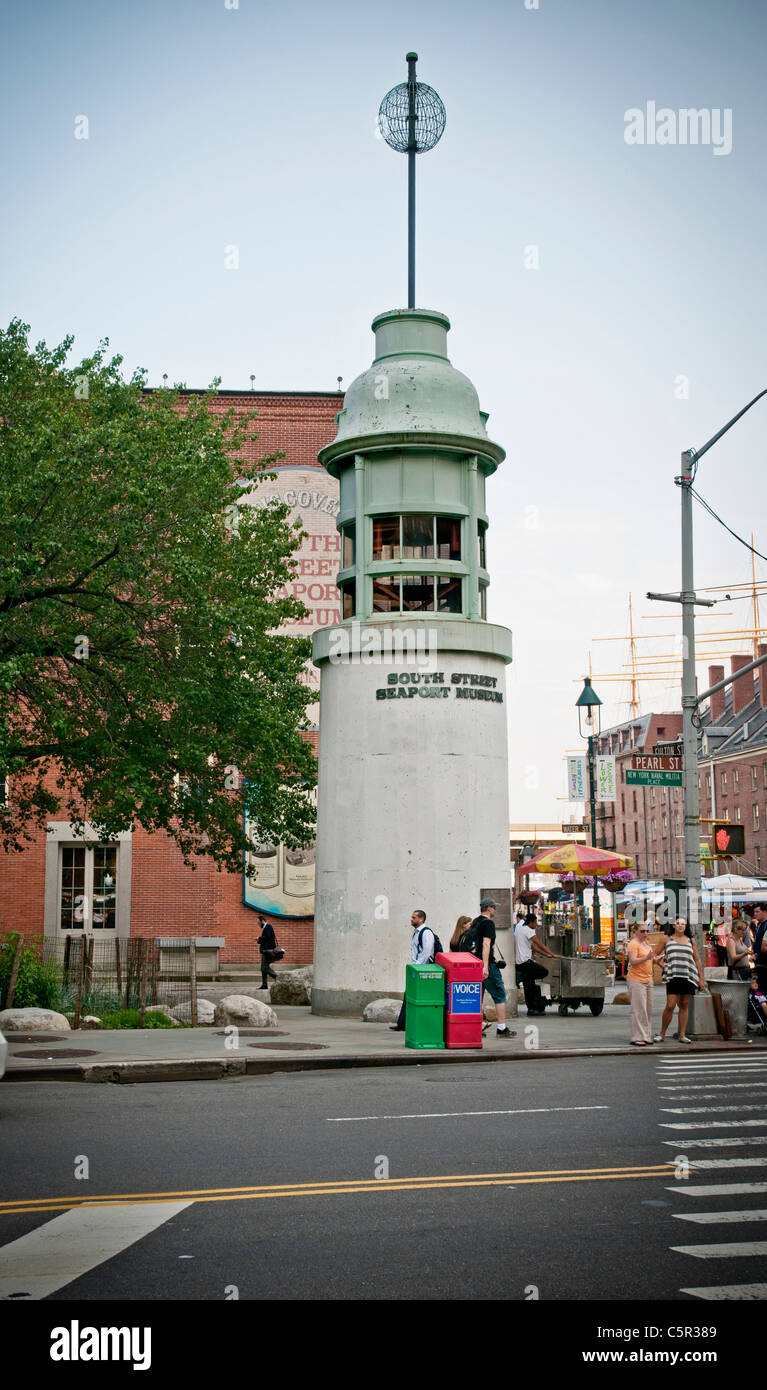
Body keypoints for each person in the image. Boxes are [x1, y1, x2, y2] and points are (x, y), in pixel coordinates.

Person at [653, 917, 705, 1044]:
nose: (681, 926)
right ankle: (662, 1033)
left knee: (684, 1005)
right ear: (673, 925)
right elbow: (654, 955)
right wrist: (664, 967)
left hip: (688, 975)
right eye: (678, 924)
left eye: (683, 924)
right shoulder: (667, 938)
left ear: (686, 926)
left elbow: (697, 960)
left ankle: (682, 1034)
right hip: (673, 975)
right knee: (670, 1005)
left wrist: (701, 978)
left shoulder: (690, 940)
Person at [472, 897, 516, 1040]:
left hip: (473, 964)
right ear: (489, 908)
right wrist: (485, 966)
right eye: (494, 907)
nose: (495, 910)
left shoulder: (475, 922)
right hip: (487, 966)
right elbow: (486, 944)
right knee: (499, 995)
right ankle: (501, 1028)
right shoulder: (488, 923)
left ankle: (476, 1027)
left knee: (478, 997)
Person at [390, 909, 435, 1032]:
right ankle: (403, 1023)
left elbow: (426, 952)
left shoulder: (426, 933)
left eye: (414, 917)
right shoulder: (416, 933)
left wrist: (418, 967)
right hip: (417, 968)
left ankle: (407, 1024)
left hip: (423, 969)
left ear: (421, 919)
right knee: (409, 994)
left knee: (417, 996)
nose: (411, 919)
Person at [515, 912, 557, 1016]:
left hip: (519, 963)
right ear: (531, 922)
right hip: (526, 962)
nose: (536, 924)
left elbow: (534, 947)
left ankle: (532, 1009)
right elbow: (539, 944)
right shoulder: (529, 931)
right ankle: (536, 1006)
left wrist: (547, 955)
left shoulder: (519, 929)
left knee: (528, 986)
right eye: (535, 922)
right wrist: (552, 953)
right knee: (544, 972)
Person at [626, 921, 655, 1045]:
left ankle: (646, 1035)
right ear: (636, 932)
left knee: (647, 1009)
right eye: (642, 931)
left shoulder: (645, 943)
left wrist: (655, 959)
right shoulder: (633, 944)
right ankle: (637, 1036)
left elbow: (650, 958)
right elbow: (633, 961)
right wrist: (646, 958)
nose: (645, 933)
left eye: (647, 931)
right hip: (636, 980)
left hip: (648, 978)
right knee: (638, 1009)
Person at [257, 914, 279, 991]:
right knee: (264, 968)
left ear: (262, 921)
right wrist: (260, 940)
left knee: (264, 968)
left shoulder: (268, 927)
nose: (258, 924)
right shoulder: (266, 927)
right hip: (266, 951)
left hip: (267, 951)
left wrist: (259, 939)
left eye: (259, 922)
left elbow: (268, 937)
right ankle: (264, 984)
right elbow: (266, 938)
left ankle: (277, 977)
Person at [752, 902, 767, 996]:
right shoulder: (760, 925)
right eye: (754, 912)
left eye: (757, 911)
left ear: (765, 912)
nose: (755, 914)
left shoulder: (766, 925)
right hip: (759, 962)